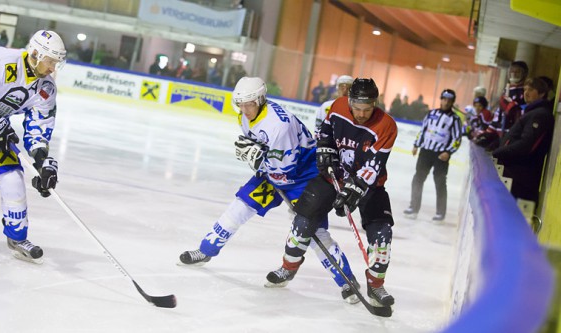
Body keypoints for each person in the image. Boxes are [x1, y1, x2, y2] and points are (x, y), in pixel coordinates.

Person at [178, 77, 361, 303]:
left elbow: (285, 168)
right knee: (240, 206)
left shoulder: (278, 126)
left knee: (313, 234)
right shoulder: (246, 116)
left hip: (304, 177)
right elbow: (262, 152)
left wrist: (257, 161)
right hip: (274, 172)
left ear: (261, 99)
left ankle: (348, 281)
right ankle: (205, 250)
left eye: (249, 104)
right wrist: (252, 153)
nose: (244, 109)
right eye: (240, 104)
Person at [266, 78, 398, 307]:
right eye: (357, 108)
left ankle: (376, 286)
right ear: (349, 101)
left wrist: (354, 189)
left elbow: (374, 165)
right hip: (333, 176)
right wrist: (325, 150)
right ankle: (288, 267)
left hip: (369, 185)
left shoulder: (386, 125)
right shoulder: (337, 106)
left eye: (367, 109)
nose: (361, 114)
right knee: (303, 221)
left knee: (382, 234)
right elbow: (325, 130)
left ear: (375, 104)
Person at [0, 30, 66, 263]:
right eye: (50, 61)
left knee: (13, 178)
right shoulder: (0, 62)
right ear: (35, 53)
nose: (53, 68)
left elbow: (39, 126)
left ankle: (17, 238)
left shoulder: (46, 89)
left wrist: (43, 162)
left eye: (56, 63)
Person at [492, 77, 554, 208]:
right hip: (517, 175)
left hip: (521, 179)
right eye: (525, 89)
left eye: (531, 90)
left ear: (542, 93)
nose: (526, 93)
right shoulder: (532, 112)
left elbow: (526, 145)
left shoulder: (540, 115)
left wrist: (498, 153)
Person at [403, 89, 463, 221]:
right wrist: (416, 145)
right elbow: (423, 130)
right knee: (418, 179)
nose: (446, 102)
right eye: (444, 99)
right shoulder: (431, 114)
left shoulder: (455, 119)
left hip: (441, 155)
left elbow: (457, 139)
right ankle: (413, 207)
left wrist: (448, 152)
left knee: (440, 182)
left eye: (449, 100)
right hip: (425, 152)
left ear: (452, 102)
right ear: (440, 99)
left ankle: (440, 213)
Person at [475, 61, 528, 150]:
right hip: (500, 132)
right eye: (512, 71)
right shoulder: (507, 89)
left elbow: (518, 112)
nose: (514, 74)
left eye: (517, 71)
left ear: (524, 74)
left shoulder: (523, 92)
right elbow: (499, 113)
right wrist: (491, 130)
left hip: (510, 133)